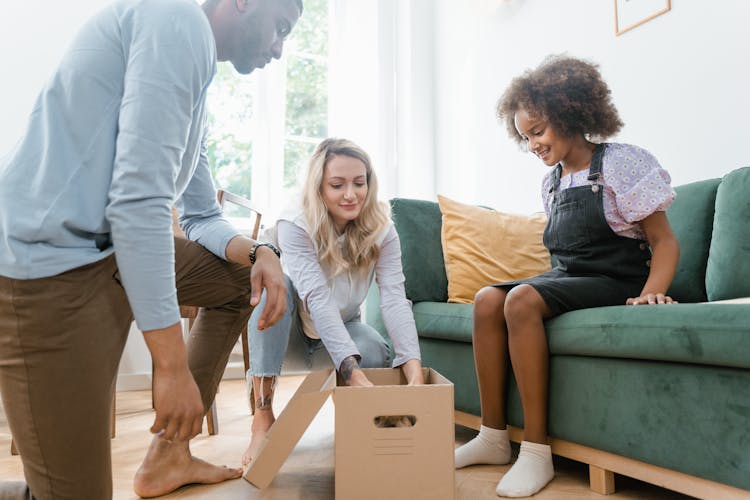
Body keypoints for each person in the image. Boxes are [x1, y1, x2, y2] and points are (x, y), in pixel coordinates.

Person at [0, 0, 302, 498]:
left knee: (234, 282)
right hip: (46, 268)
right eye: (281, 28)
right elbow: (138, 203)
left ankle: (169, 457)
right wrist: (171, 366)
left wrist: (260, 252)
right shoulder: (175, 21)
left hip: (104, 257)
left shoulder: (196, 78)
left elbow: (201, 215)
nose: (279, 47)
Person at [452, 55, 680, 498]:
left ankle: (537, 452)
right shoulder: (552, 182)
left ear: (572, 113)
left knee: (519, 299)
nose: (533, 144)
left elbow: (664, 241)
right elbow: (565, 261)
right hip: (572, 277)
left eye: (538, 131)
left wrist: (652, 293)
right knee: (485, 299)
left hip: (618, 278)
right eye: (525, 137)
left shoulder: (621, 162)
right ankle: (493, 436)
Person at [241, 138, 424, 465]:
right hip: (290, 335)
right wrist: (352, 374)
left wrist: (413, 367)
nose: (351, 194)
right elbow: (317, 299)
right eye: (337, 185)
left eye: (359, 183)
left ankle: (355, 424)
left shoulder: (382, 228)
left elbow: (395, 298)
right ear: (319, 188)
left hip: (342, 330)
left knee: (374, 348)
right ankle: (262, 416)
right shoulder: (294, 221)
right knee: (274, 287)